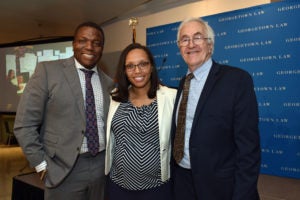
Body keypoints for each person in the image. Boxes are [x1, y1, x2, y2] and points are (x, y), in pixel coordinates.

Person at [14, 21, 114, 200]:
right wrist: (41, 165)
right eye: (83, 40)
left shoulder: (109, 83)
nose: (89, 47)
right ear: (73, 44)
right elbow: (24, 125)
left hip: (102, 168)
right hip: (63, 171)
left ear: (102, 48)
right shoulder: (48, 71)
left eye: (96, 43)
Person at [171, 17, 261, 200]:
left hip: (221, 187)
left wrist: (243, 195)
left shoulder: (237, 80)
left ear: (210, 45)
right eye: (184, 39)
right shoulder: (182, 84)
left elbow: (248, 149)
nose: (191, 44)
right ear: (180, 47)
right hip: (183, 183)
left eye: (197, 37)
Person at [105, 43, 177, 200]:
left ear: (151, 67)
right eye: (130, 66)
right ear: (124, 70)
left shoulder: (171, 97)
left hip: (157, 188)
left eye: (143, 64)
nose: (137, 71)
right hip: (118, 187)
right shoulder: (115, 98)